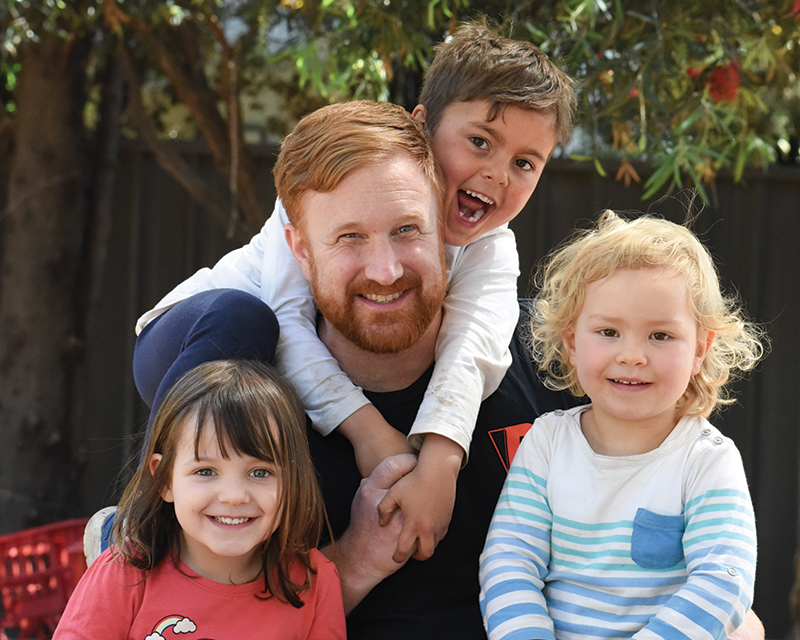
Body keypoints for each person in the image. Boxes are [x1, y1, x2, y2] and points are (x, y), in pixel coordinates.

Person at [132, 18, 577, 564]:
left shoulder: (490, 244)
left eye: (525, 163)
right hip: (191, 339)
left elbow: (475, 343)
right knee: (244, 320)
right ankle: (137, 530)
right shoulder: (330, 187)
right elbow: (289, 327)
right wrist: (369, 434)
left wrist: (439, 461)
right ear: (421, 127)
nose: (498, 175)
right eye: (479, 142)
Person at [479, 211, 765, 640]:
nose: (632, 355)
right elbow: (509, 561)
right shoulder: (546, 443)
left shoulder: (706, 460)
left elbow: (723, 582)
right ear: (573, 342)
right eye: (609, 332)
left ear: (701, 349)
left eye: (661, 336)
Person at [58, 360, 345, 640]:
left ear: (293, 480)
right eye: (205, 471)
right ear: (165, 480)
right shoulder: (125, 571)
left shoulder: (315, 582)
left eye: (260, 472)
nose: (233, 496)